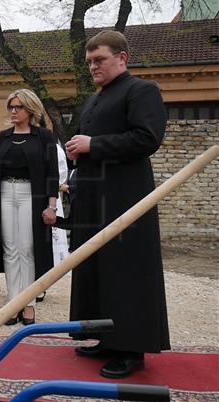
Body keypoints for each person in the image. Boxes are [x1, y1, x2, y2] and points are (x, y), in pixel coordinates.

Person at [65, 30, 169, 378]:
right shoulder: (96, 99)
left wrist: (93, 144)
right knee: (98, 267)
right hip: (95, 196)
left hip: (127, 197)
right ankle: (107, 338)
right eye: (89, 62)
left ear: (122, 58)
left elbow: (147, 138)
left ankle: (131, 348)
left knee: (125, 270)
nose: (93, 67)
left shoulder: (142, 90)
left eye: (100, 60)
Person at [0, 89, 58, 326]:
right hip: (5, 193)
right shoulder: (3, 137)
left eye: (19, 107)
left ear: (31, 109)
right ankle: (12, 303)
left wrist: (51, 206)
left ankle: (29, 304)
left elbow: (52, 174)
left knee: (27, 248)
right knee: (9, 249)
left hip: (31, 195)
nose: (14, 111)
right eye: (11, 107)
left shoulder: (44, 137)